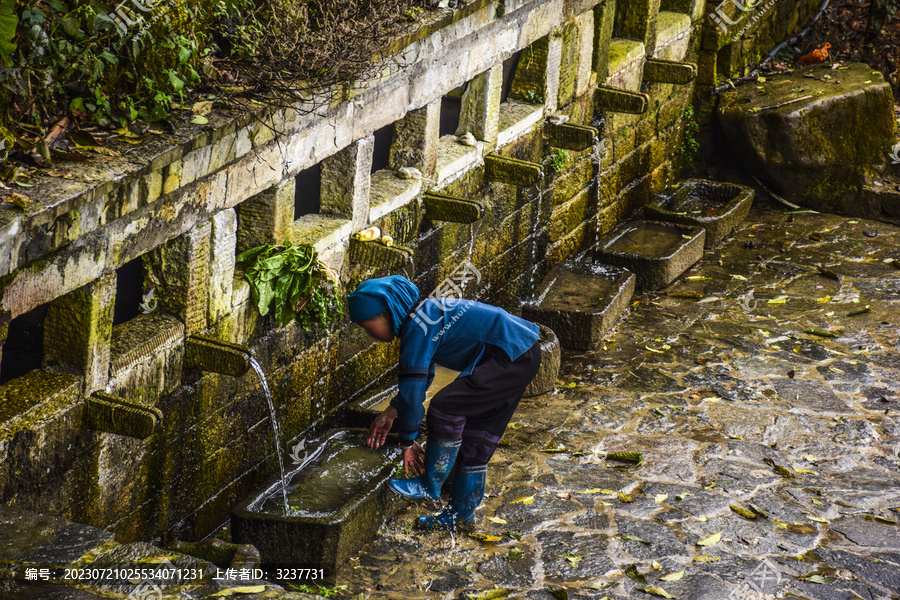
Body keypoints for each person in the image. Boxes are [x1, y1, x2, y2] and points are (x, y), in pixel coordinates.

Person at [346, 274, 542, 531]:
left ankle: (429, 483)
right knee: (477, 438)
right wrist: (393, 412)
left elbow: (414, 390)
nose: (368, 332)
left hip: (506, 356)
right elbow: (422, 375)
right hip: (522, 352)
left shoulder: (418, 328)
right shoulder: (425, 316)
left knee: (444, 407)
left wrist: (408, 440)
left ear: (387, 313)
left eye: (368, 323)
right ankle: (459, 516)